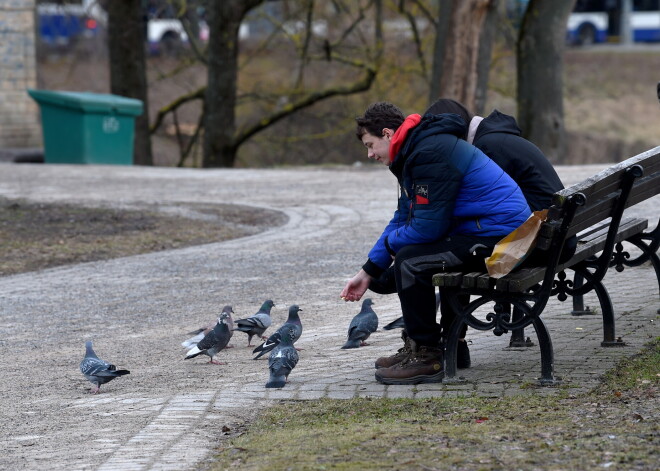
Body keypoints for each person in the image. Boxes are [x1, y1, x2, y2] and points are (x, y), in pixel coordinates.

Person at [340, 102, 531, 385]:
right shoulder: (414, 151)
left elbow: (428, 228)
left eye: (371, 145)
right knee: (398, 265)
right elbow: (404, 217)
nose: (369, 154)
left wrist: (391, 253)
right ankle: (441, 346)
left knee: (411, 263)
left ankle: (427, 357)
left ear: (388, 134)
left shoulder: (429, 152)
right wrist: (369, 269)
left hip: (503, 240)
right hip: (489, 231)